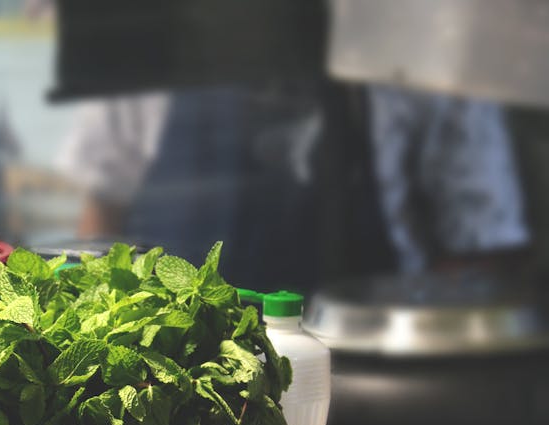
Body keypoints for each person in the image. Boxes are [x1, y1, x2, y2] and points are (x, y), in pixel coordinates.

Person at [56, 82, 530, 293]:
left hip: (363, 382)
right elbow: (101, 212)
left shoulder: (423, 32)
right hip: (170, 390)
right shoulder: (152, 32)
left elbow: (479, 248)